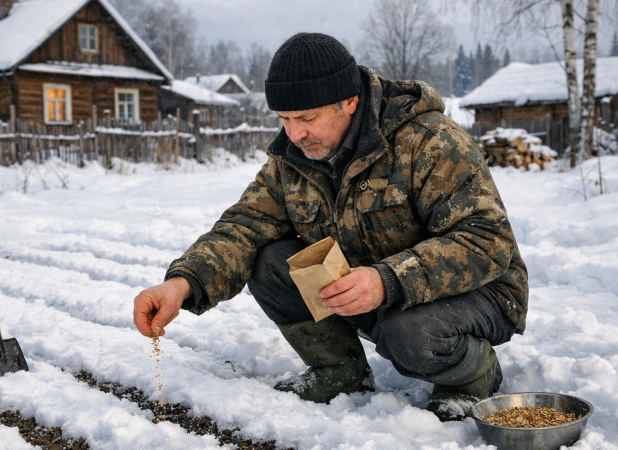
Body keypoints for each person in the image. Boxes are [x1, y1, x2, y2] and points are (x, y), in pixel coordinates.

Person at [133, 33, 528, 422]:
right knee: (271, 260)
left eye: (307, 118)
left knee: (409, 332)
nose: (294, 134)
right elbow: (245, 225)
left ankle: (472, 377)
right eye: (284, 119)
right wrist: (181, 284)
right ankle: (339, 371)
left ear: (350, 102)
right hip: (368, 291)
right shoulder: (293, 158)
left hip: (479, 293)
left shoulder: (427, 141)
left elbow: (487, 241)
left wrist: (388, 280)